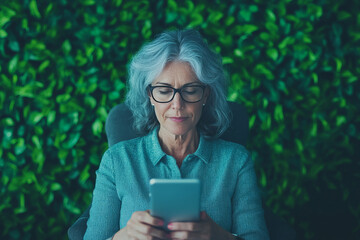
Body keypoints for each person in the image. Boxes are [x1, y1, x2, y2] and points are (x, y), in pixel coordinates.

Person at [83, 29, 269, 240]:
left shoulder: (236, 161)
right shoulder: (117, 161)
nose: (177, 105)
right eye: (163, 91)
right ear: (150, 96)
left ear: (205, 94)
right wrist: (123, 237)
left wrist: (219, 236)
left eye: (190, 91)